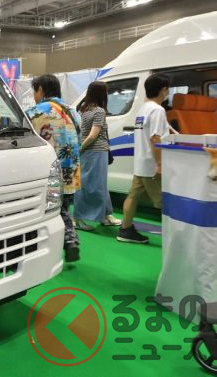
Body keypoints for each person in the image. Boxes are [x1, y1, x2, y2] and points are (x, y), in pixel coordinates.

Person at [25, 74, 82, 262]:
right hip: (71, 170)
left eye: (34, 91)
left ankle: (65, 242)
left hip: (48, 170)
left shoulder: (35, 112)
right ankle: (69, 241)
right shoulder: (72, 111)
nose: (34, 96)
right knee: (63, 207)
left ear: (41, 89)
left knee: (49, 211)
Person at [117, 73, 171, 244]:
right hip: (152, 164)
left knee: (132, 196)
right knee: (166, 201)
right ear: (163, 90)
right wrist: (160, 163)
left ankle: (125, 229)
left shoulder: (143, 108)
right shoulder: (158, 110)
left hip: (141, 162)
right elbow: (155, 138)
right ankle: (178, 237)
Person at [73, 81, 122, 230]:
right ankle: (78, 218)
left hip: (88, 152)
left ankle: (106, 215)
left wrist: (80, 148)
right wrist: (81, 148)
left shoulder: (82, 110)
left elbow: (82, 132)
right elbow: (93, 135)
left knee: (97, 185)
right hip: (96, 151)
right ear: (101, 94)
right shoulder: (99, 111)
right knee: (92, 186)